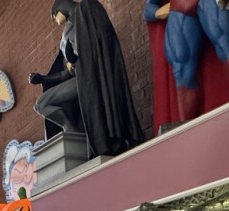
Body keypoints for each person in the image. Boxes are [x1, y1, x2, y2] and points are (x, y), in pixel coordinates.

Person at [29, 0, 145, 156]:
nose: (54, 20)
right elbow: (66, 73)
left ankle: (100, 138)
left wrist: (78, 57)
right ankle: (74, 131)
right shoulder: (65, 35)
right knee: (41, 104)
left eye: (54, 15)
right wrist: (43, 79)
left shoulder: (87, 9)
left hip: (95, 77)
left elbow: (102, 40)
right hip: (79, 79)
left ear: (61, 8)